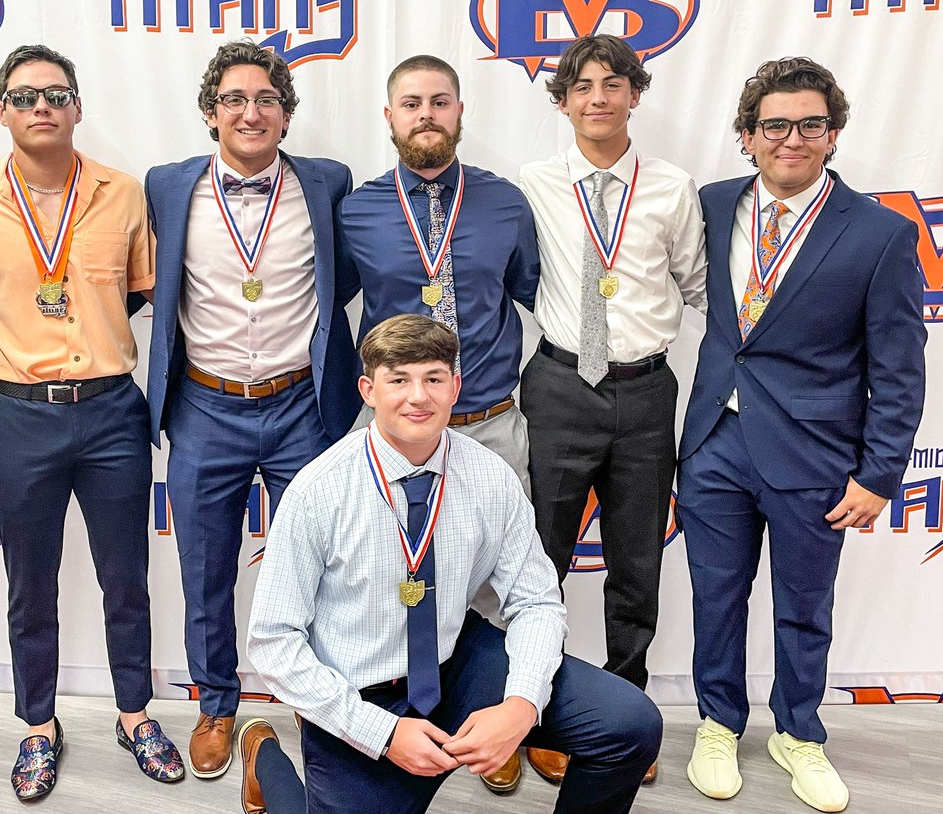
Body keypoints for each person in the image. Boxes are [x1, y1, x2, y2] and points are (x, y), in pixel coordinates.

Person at [239, 313, 662, 814]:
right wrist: (383, 732)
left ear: (455, 386)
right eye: (398, 380)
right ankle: (262, 754)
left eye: (433, 378)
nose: (418, 396)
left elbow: (537, 600)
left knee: (630, 724)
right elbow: (274, 642)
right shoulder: (317, 491)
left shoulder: (490, 475)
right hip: (361, 695)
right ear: (368, 390)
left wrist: (521, 704)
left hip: (454, 664)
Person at [677, 57, 926, 813]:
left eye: (809, 125)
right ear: (748, 137)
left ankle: (798, 731)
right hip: (715, 441)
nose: (792, 138)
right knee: (715, 599)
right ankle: (718, 722)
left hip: (816, 454)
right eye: (775, 125)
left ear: (834, 134)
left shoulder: (881, 234)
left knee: (803, 604)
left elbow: (900, 367)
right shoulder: (712, 204)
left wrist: (879, 473)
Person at [0, 45, 181, 801]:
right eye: (23, 96)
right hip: (20, 417)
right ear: (1, 111)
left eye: (56, 93)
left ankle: (134, 714)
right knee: (28, 583)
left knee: (126, 581)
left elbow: (141, 294)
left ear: (77, 106)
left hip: (111, 411)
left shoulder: (124, 194)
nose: (40, 107)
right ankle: (38, 726)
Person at [144, 40, 358, 778]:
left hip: (303, 404)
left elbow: (350, 283)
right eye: (234, 99)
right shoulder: (167, 187)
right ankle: (216, 702)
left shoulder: (328, 184)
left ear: (287, 115)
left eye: (266, 99)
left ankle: (317, 698)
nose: (250, 111)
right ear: (210, 113)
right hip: (206, 405)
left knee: (321, 567)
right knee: (205, 567)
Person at [336, 52, 539, 793]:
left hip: (487, 419)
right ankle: (383, 719)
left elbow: (527, 296)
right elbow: (332, 309)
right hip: (387, 426)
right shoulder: (354, 208)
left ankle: (495, 719)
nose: (427, 114)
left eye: (441, 102)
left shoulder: (505, 202)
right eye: (412, 102)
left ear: (461, 112)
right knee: (383, 575)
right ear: (389, 117)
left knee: (493, 579)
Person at [517, 34, 706, 785]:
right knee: (540, 562)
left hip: (645, 389)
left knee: (637, 562)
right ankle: (539, 707)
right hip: (560, 385)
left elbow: (694, 283)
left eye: (613, 83)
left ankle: (624, 717)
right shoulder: (531, 182)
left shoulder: (671, 186)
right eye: (582, 85)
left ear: (636, 93)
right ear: (562, 101)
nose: (598, 96)